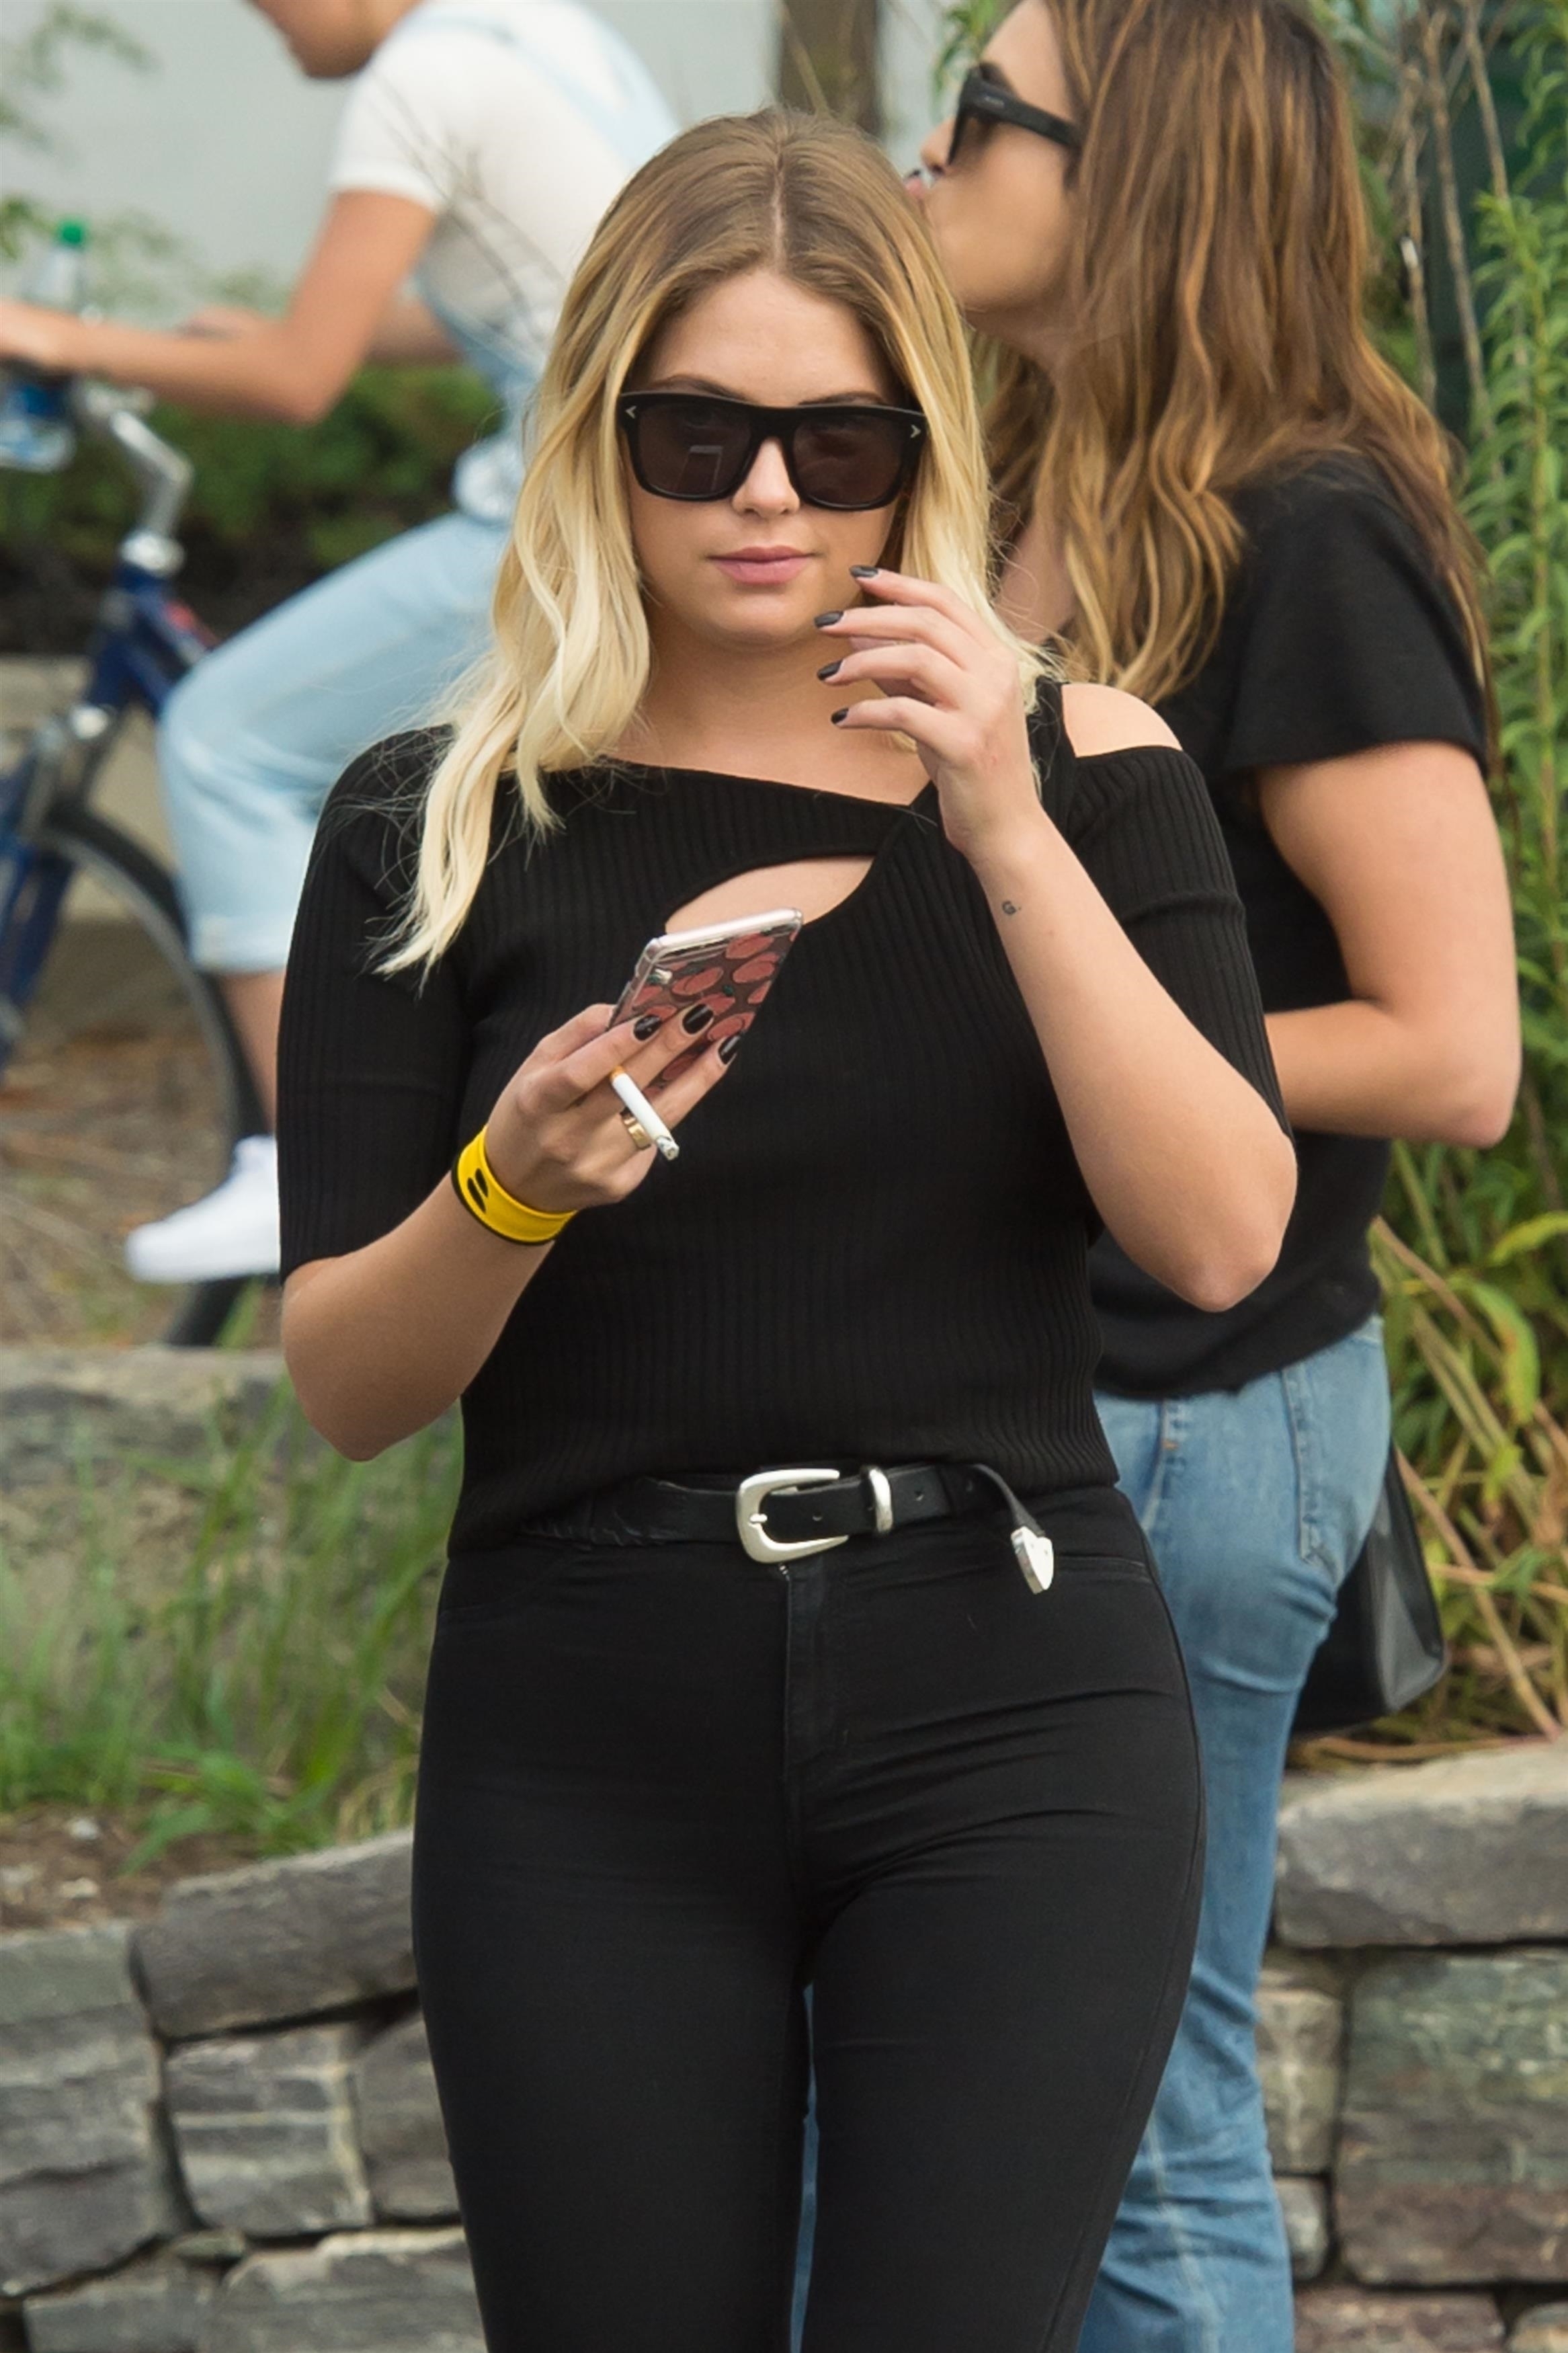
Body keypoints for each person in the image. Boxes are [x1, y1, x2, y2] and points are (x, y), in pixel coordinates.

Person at [274, 106, 1296, 2352]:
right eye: (696, 435)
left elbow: (1221, 1235)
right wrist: (507, 1191)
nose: (764, 498)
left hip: (1008, 1689)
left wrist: (999, 814)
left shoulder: (1088, 771)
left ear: (922, 446)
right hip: (586, 1712)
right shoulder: (438, 820)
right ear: (593, 435)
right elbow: (346, 1380)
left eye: (838, 443)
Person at [907, 3, 1522, 2347]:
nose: (928, 151)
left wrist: (1048, 1055)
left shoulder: (1306, 528)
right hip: (1027, 1409)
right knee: (991, 2100)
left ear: (1138, 171)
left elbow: (1450, 1047)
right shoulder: (1015, 489)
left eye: (979, 113)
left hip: (1184, 1415)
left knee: (1135, 2132)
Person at [0, 0, 674, 1281]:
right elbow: (537, 288)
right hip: (639, 497)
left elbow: (295, 383)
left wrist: (46, 333)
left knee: (224, 740)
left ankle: (299, 1168)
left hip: (560, 525)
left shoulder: (421, 77)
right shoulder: (537, 29)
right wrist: (276, 333)